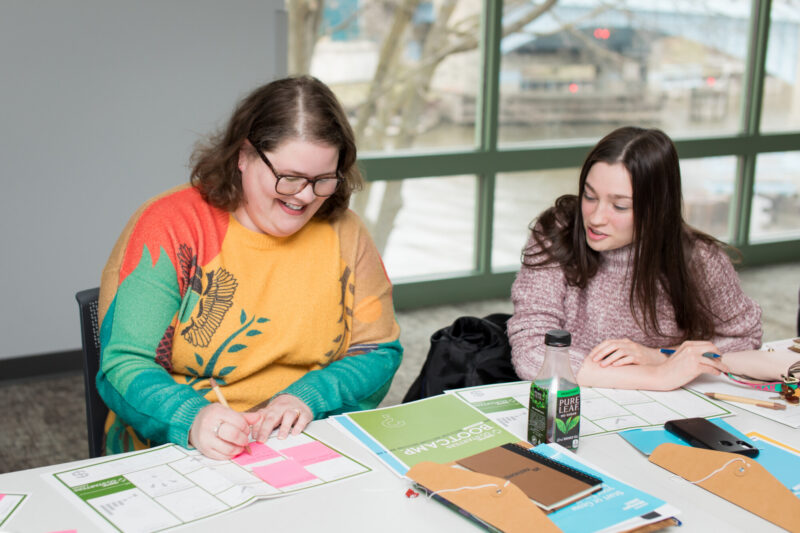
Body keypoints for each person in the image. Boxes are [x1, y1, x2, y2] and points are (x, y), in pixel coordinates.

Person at [97, 76, 403, 460]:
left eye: (323, 180)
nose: (305, 196)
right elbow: (123, 364)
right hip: (183, 448)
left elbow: (378, 350)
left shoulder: (347, 232)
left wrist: (309, 397)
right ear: (243, 155)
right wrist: (192, 417)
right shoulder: (169, 226)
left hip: (303, 440)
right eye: (289, 178)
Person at [508, 126, 762, 391]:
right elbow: (531, 351)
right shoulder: (557, 231)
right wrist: (658, 376)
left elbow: (745, 338)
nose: (596, 218)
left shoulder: (700, 260)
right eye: (589, 196)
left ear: (657, 209)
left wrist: (659, 356)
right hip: (570, 401)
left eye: (619, 206)